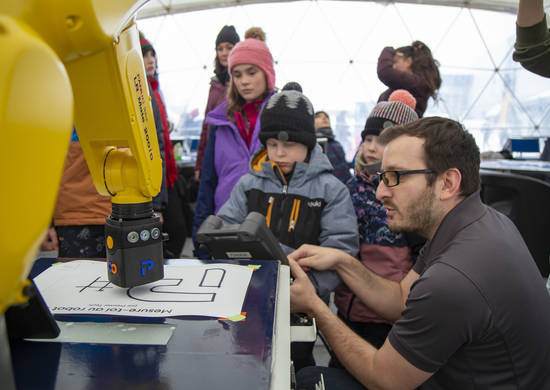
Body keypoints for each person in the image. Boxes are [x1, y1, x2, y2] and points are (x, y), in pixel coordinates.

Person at [289, 116, 550, 390]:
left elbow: (384, 379)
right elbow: (403, 300)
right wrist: (343, 262)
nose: (380, 192)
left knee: (308, 381)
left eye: (394, 177)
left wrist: (315, 307)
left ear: (447, 183)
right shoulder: (478, 223)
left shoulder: (452, 279)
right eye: (381, 177)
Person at [216, 90, 359, 372]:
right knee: (247, 360)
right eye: (272, 144)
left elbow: (341, 248)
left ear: (308, 144)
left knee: (298, 362)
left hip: (301, 305)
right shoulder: (248, 184)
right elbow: (227, 225)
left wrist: (312, 289)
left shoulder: (331, 190)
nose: (279, 153)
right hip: (249, 299)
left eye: (289, 144)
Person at [333, 91, 424, 354]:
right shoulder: (352, 187)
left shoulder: (408, 195)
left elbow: (421, 254)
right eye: (368, 139)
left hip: (386, 315)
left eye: (383, 141)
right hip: (348, 306)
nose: (372, 147)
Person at [192, 27, 276, 256]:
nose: (244, 81)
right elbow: (208, 182)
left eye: (251, 72)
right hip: (226, 223)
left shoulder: (280, 117)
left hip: (273, 226)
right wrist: (199, 234)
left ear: (267, 73)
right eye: (237, 74)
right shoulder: (220, 121)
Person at [194, 25, 240, 183]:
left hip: (233, 158)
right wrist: (200, 164)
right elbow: (205, 126)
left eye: (229, 47)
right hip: (212, 155)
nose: (224, 53)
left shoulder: (242, 84)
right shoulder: (215, 84)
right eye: (220, 48)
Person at [377, 41, 441, 117]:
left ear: (408, 61)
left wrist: (388, 50)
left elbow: (386, 72)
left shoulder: (415, 83)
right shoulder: (414, 84)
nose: (393, 66)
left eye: (395, 62)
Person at [314, 111, 352, 184]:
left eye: (326, 117)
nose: (324, 118)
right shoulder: (314, 145)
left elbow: (343, 164)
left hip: (346, 187)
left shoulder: (337, 144)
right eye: (318, 117)